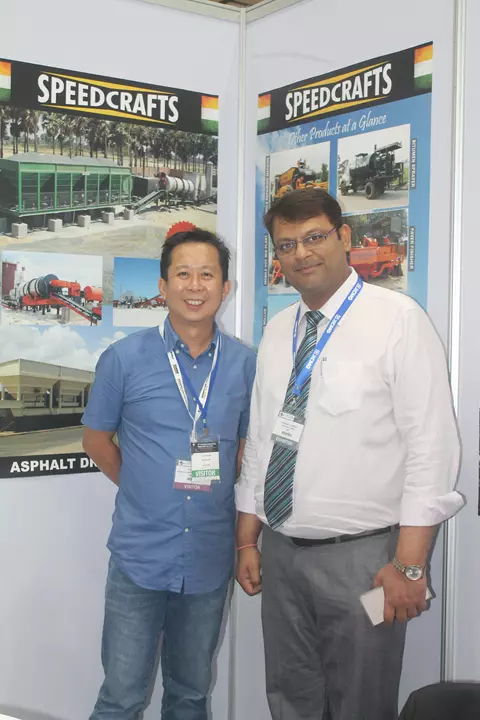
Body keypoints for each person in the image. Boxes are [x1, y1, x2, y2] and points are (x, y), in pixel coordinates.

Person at [235, 188, 464, 720]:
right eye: (286, 244)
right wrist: (247, 538)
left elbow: (431, 449)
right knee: (289, 699)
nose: (301, 253)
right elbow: (263, 439)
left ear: (344, 237)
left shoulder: (397, 320)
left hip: (366, 562)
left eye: (314, 237)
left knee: (361, 701)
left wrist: (409, 566)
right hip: (282, 556)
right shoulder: (277, 331)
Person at [82, 228, 256, 720]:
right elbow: (96, 442)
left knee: (190, 695)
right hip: (140, 554)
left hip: (208, 558)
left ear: (225, 287)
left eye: (207, 275)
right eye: (183, 274)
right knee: (120, 697)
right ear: (163, 286)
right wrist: (142, 487)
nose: (195, 286)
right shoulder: (123, 359)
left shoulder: (245, 365)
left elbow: (246, 452)